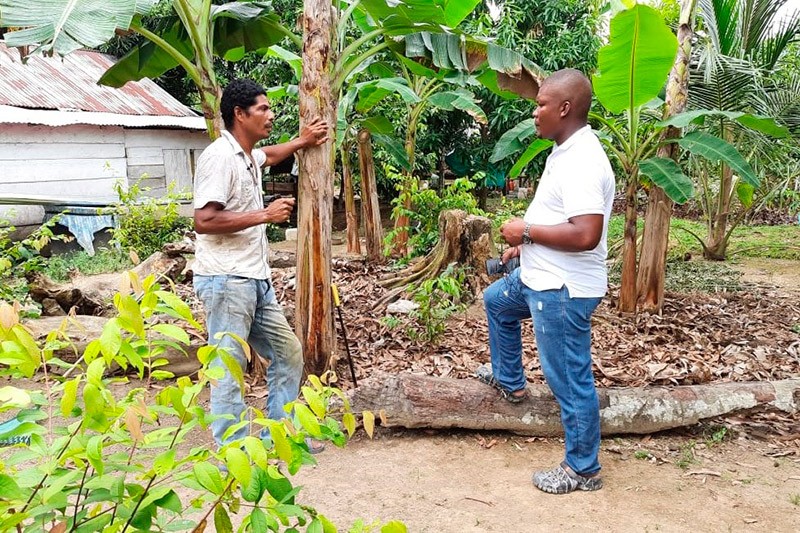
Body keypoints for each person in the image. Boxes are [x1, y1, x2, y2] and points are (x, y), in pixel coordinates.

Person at [476, 69, 615, 494]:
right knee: (498, 300)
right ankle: (510, 382)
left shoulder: (582, 161)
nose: (535, 113)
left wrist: (527, 232)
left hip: (562, 289)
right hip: (540, 275)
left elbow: (586, 234)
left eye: (541, 105)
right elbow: (561, 218)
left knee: (569, 379)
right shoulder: (564, 151)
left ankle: (582, 469)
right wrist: (526, 248)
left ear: (565, 108)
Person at [193, 78, 328, 449]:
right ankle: (232, 452)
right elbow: (204, 220)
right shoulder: (220, 158)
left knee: (287, 353)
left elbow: (269, 154)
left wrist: (302, 141)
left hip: (253, 279)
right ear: (240, 114)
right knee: (228, 366)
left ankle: (278, 437)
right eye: (263, 109)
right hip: (226, 280)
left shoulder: (246, 156)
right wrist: (264, 215)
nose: (270, 115)